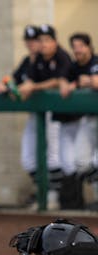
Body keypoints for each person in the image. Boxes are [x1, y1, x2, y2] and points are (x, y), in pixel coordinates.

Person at [17, 24, 72, 210]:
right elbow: (28, 80)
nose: (43, 44)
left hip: (58, 113)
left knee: (54, 157)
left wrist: (33, 87)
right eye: (40, 40)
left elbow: (59, 80)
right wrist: (21, 87)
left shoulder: (62, 56)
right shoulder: (36, 59)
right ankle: (44, 191)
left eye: (47, 40)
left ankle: (53, 197)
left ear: (55, 41)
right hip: (38, 112)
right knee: (28, 159)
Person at [58, 32, 98, 209]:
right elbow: (62, 80)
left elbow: (96, 82)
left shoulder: (95, 61)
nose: (77, 50)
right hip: (89, 118)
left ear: (89, 47)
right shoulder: (73, 66)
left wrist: (85, 81)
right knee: (81, 162)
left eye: (81, 46)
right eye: (74, 47)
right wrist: (70, 84)